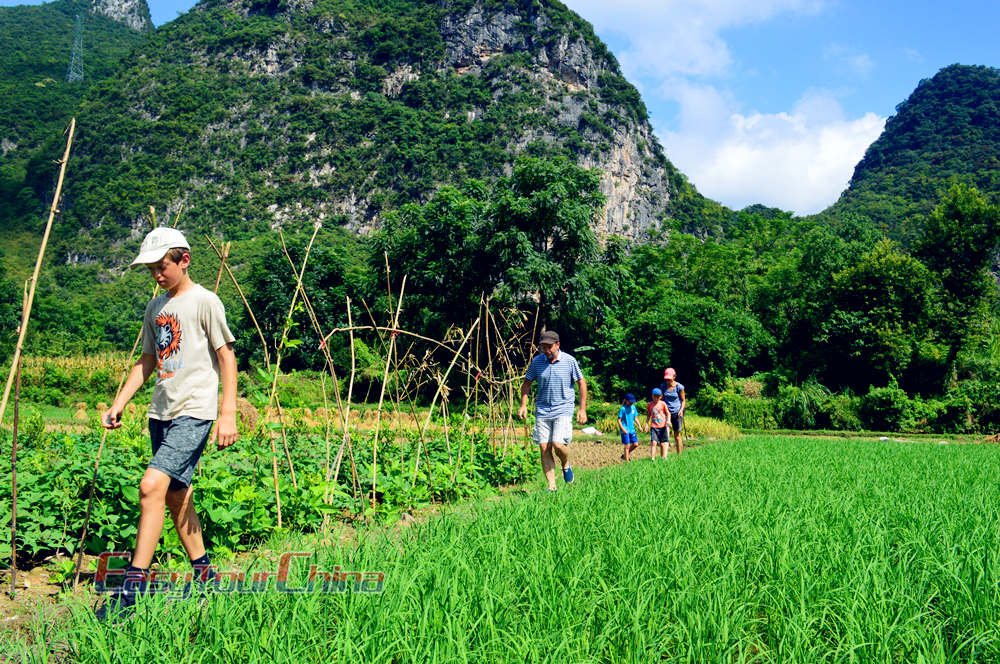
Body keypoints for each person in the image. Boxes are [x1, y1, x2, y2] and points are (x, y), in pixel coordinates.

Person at [99, 227, 238, 618]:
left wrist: (227, 413)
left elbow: (227, 356)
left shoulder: (205, 302)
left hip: (195, 410)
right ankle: (206, 576)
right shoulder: (155, 308)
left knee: (150, 486)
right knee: (176, 494)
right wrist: (119, 403)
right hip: (161, 412)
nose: (157, 276)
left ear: (184, 260)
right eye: (152, 271)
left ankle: (132, 589)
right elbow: (147, 360)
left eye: (162, 267)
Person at [517, 330, 587, 492]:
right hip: (542, 410)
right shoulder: (537, 362)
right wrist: (523, 405)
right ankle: (552, 486)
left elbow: (581, 383)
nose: (546, 350)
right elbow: (526, 384)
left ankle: (565, 463)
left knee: (557, 443)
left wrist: (582, 409)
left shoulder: (569, 361)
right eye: (543, 347)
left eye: (549, 347)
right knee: (544, 447)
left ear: (558, 345)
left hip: (563, 408)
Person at [659, 367, 686, 456]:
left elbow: (683, 400)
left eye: (669, 379)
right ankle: (663, 457)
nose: (668, 381)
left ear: (674, 377)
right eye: (666, 379)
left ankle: (679, 456)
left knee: (677, 435)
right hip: (666, 413)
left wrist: (681, 410)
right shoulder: (663, 386)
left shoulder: (679, 387)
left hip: (677, 413)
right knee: (665, 435)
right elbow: (661, 398)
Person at [647, 387, 670, 459]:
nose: (656, 398)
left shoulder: (663, 404)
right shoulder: (650, 404)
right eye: (654, 396)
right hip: (654, 426)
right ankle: (652, 458)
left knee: (663, 443)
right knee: (653, 442)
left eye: (658, 396)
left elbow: (668, 413)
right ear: (652, 395)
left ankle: (664, 457)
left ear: (661, 396)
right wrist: (646, 424)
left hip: (662, 426)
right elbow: (648, 415)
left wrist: (668, 420)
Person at [618, 393, 639, 461]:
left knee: (635, 444)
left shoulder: (633, 407)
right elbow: (619, 420)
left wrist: (639, 425)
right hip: (625, 430)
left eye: (632, 402)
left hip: (632, 430)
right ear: (626, 400)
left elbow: (635, 418)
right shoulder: (622, 409)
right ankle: (627, 462)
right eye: (630, 401)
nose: (631, 403)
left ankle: (624, 455)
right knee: (627, 446)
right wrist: (623, 429)